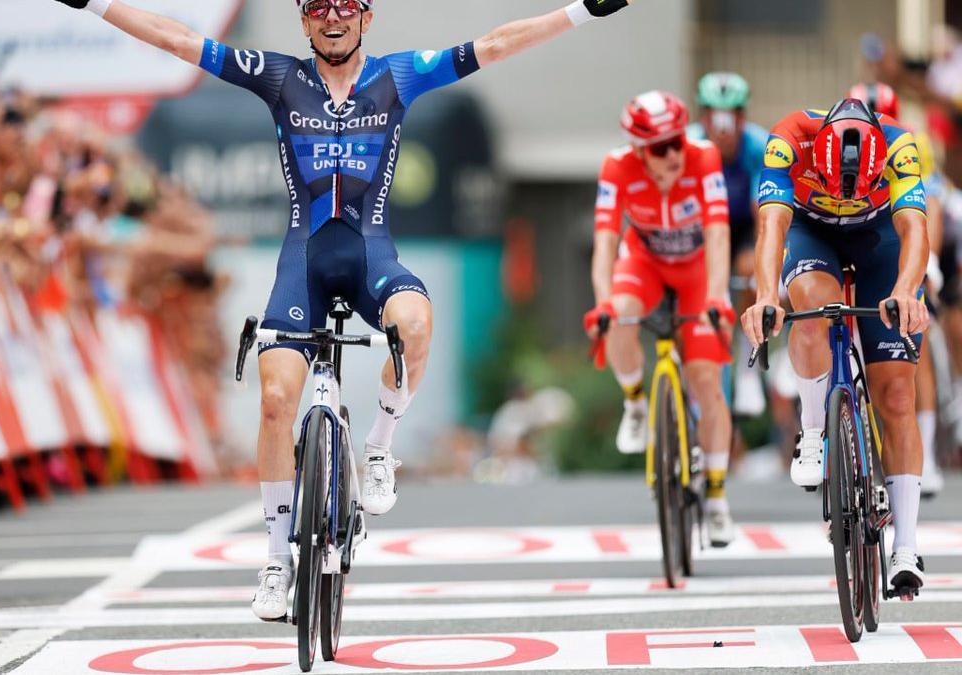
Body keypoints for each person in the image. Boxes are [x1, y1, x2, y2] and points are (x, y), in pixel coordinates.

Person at [48, 0, 632, 620]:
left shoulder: (400, 76)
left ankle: (379, 447)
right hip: (301, 263)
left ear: (366, 18)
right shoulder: (278, 78)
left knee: (415, 324)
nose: (333, 18)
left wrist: (581, 13)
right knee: (275, 402)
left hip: (371, 256)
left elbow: (496, 42)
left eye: (345, 7)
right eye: (318, 7)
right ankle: (276, 557)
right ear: (304, 21)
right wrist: (96, 4)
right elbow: (176, 37)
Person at [741, 98, 931, 595]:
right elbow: (773, 226)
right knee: (811, 315)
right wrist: (765, 296)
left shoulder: (900, 146)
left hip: (879, 239)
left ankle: (906, 547)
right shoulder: (788, 139)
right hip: (812, 234)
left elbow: (914, 228)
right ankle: (811, 430)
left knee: (896, 397)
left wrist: (906, 291)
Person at [584, 91, 737, 548]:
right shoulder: (616, 167)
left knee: (706, 380)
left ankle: (715, 495)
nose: (673, 154)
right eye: (659, 148)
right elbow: (606, 242)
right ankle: (634, 401)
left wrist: (715, 296)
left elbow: (718, 233)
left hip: (697, 271)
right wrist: (603, 303)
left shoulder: (703, 155)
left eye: (677, 142)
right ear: (636, 149)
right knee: (619, 315)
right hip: (645, 263)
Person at [849, 81, 950, 499]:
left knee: (913, 348)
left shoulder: (910, 144)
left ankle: (924, 448)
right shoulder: (840, 141)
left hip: (903, 236)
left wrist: (931, 263)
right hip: (856, 237)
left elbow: (931, 206)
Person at [688, 72, 769, 417]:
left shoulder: (758, 146)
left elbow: (764, 214)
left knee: (749, 269)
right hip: (702, 226)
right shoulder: (688, 145)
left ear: (742, 117)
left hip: (744, 227)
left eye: (732, 114)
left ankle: (748, 359)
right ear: (704, 117)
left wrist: (763, 255)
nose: (723, 125)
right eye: (715, 114)